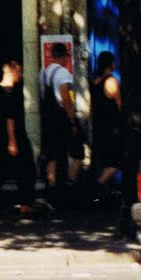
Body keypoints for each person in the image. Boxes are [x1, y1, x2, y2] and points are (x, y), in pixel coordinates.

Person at [0, 60, 36, 214]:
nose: (21, 75)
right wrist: (12, 141)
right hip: (15, 136)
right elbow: (10, 117)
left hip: (1, 136)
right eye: (19, 71)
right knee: (28, 169)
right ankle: (26, 203)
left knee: (0, 170)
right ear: (12, 72)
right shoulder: (10, 92)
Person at [40, 41, 80, 203]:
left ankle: (52, 187)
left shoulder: (42, 73)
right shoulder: (63, 73)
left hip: (47, 118)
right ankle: (68, 186)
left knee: (52, 155)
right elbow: (66, 99)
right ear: (63, 56)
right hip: (60, 117)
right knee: (75, 151)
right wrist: (72, 121)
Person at [90, 51, 123, 198]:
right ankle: (98, 186)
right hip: (111, 127)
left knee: (105, 160)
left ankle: (104, 193)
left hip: (98, 126)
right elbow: (118, 101)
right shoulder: (111, 81)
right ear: (110, 63)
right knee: (115, 162)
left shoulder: (95, 82)